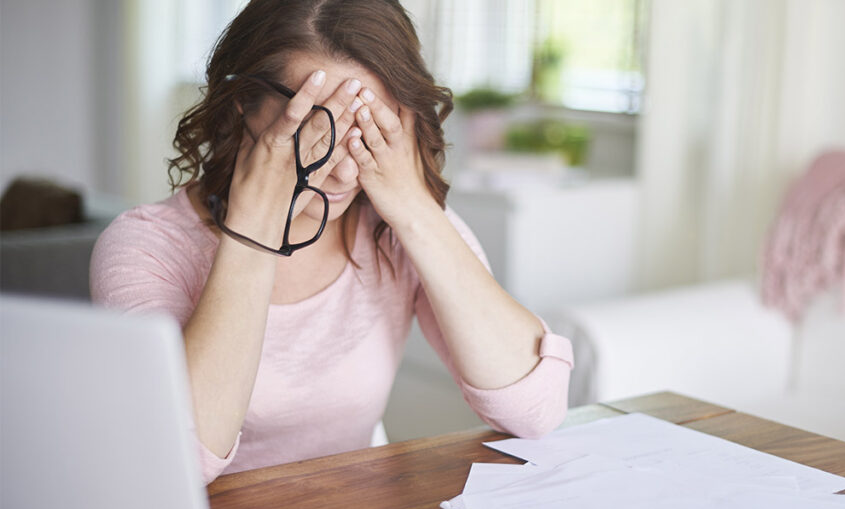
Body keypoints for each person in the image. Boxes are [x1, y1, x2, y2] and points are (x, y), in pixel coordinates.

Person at [90, 0, 573, 484]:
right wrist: (253, 233)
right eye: (315, 135)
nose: (345, 171)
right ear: (244, 107)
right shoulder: (144, 247)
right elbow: (180, 460)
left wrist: (414, 208)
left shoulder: (394, 221)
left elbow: (535, 411)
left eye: (368, 132)